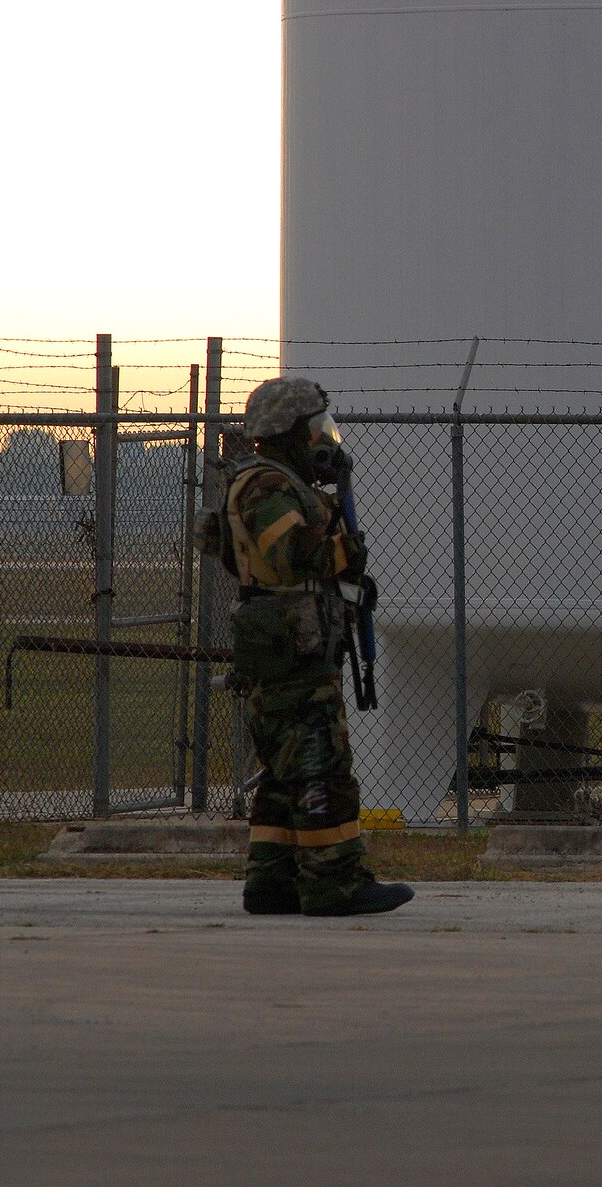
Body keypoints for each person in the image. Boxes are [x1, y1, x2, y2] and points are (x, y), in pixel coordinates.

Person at [224, 376, 413, 917]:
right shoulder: (268, 487)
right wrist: (345, 550)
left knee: (285, 774)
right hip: (293, 646)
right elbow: (290, 555)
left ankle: (272, 881)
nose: (323, 442)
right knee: (320, 765)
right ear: (286, 434)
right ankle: (336, 882)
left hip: (286, 639)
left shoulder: (268, 482)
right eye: (313, 432)